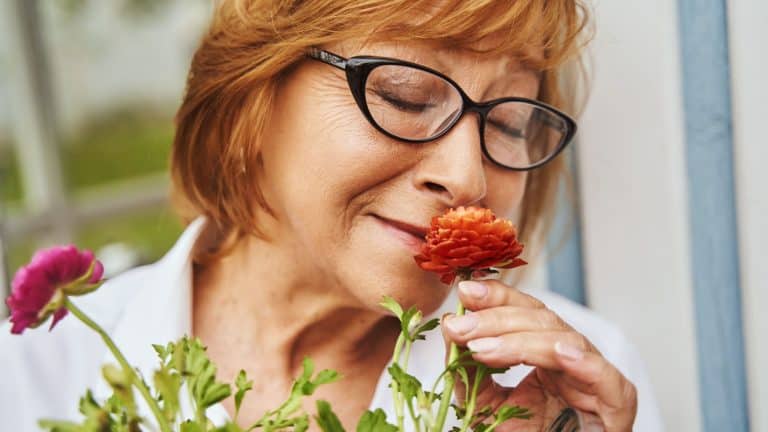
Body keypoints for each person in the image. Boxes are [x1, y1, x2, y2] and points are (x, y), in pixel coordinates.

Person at [0, 0, 664, 430]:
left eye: (513, 125)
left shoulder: (575, 391)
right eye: (404, 96)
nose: (468, 177)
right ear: (251, 99)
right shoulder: (37, 373)